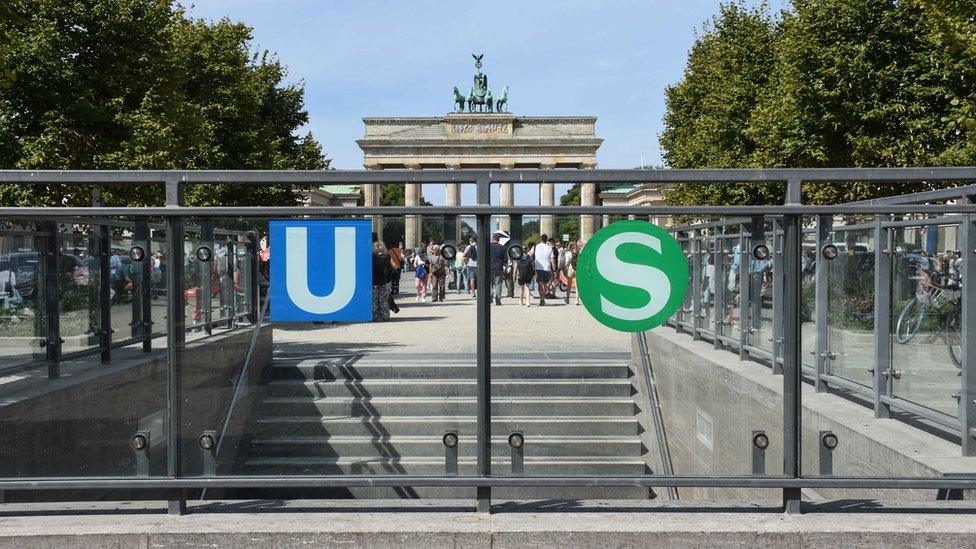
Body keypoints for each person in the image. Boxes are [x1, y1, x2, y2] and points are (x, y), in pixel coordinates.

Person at [371, 241, 394, 321]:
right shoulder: (387, 257)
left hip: (374, 282)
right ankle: (385, 316)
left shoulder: (372, 257)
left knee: (374, 300)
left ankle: (375, 316)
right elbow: (391, 268)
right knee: (384, 299)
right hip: (384, 281)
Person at [533, 234, 556, 305]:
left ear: (540, 239)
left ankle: (542, 298)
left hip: (538, 268)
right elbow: (552, 259)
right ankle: (543, 297)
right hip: (547, 268)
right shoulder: (550, 248)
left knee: (540, 283)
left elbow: (530, 254)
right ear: (547, 240)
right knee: (545, 284)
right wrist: (554, 269)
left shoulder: (536, 246)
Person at [488, 233, 507, 306]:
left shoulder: (488, 246)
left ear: (492, 239)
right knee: (498, 284)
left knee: (489, 284)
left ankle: (489, 296)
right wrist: (505, 267)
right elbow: (505, 259)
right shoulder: (502, 247)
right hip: (498, 268)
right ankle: (498, 300)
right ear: (498, 240)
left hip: (489, 267)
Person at [563, 241, 580, 305]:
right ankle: (576, 300)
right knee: (577, 285)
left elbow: (567, 262)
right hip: (576, 269)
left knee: (569, 285)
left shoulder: (568, 254)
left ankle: (567, 299)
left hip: (570, 268)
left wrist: (565, 269)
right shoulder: (577, 253)